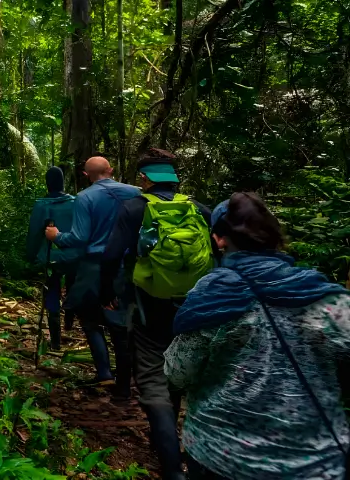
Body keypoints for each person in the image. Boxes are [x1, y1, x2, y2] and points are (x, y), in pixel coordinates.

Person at [165, 192, 350, 480]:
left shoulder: (212, 295)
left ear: (219, 240)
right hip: (316, 461)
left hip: (222, 455)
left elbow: (177, 373)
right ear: (275, 237)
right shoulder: (324, 296)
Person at [100, 149, 213, 480]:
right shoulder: (200, 210)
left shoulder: (134, 208)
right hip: (194, 310)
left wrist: (107, 294)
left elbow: (110, 256)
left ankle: (170, 466)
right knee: (181, 369)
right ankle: (186, 453)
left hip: (149, 308)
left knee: (152, 379)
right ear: (174, 177)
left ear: (145, 179)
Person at [45, 156, 140, 390]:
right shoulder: (135, 193)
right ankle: (125, 383)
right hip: (126, 266)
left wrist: (56, 236)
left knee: (89, 320)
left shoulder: (85, 197)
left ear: (86, 175)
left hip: (95, 266)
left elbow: (79, 237)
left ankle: (104, 372)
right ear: (111, 170)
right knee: (120, 324)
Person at [26, 167, 81, 350]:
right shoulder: (76, 202)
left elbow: (34, 234)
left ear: (47, 183)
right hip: (75, 256)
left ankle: (56, 341)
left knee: (52, 293)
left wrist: (31, 255)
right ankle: (69, 321)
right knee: (72, 287)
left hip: (51, 257)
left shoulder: (42, 205)